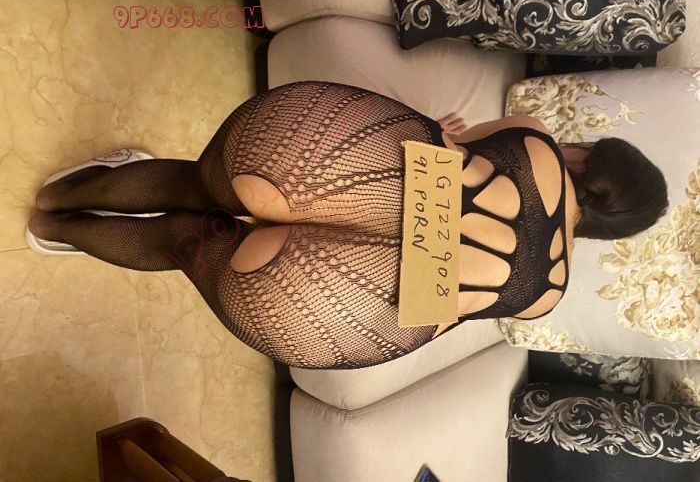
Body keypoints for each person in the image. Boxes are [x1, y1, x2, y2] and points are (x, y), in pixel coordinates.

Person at [27, 81, 668, 369]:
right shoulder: (545, 297)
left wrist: (447, 140)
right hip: (324, 304)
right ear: (597, 232)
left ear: (590, 157)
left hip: (322, 170)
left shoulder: (537, 140)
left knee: (193, 185)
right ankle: (53, 232)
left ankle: (60, 194)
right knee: (182, 243)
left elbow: (457, 144)